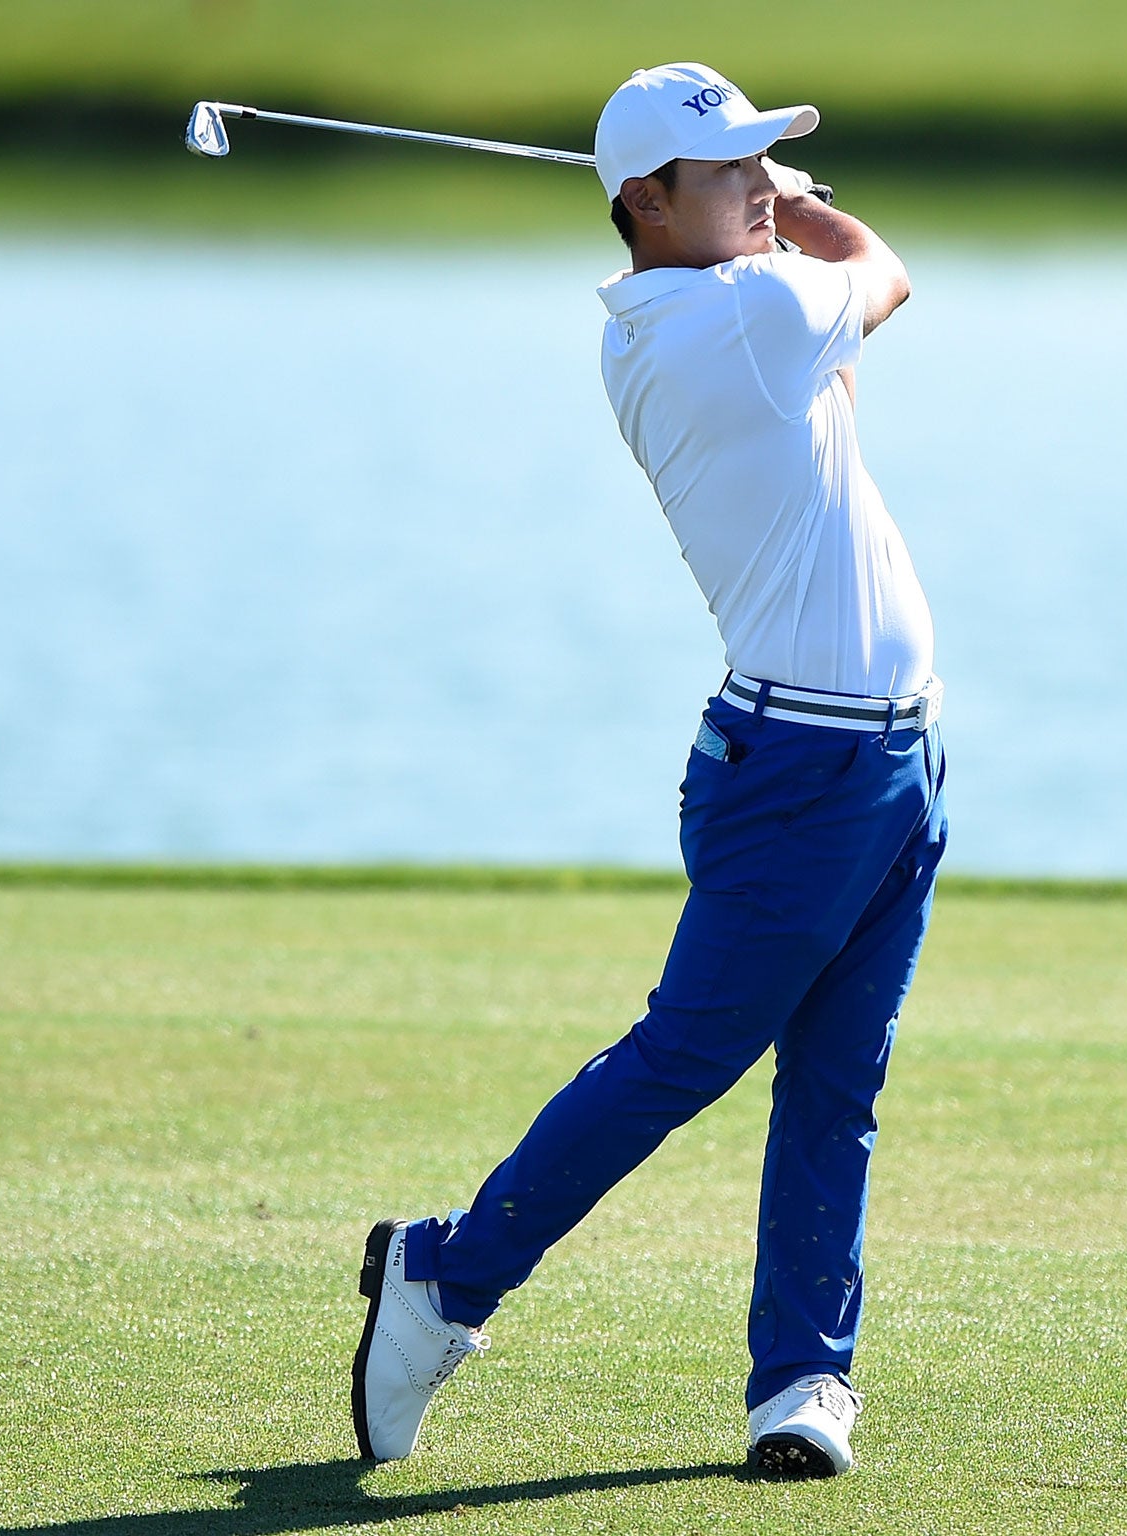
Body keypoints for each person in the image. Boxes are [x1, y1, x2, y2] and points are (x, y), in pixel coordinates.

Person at [349, 61, 947, 1481]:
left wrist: (762, 205)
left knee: (836, 1085)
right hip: (803, 769)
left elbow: (841, 385)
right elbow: (887, 273)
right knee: (684, 1058)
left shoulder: (703, 312)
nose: (757, 180)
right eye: (729, 166)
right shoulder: (737, 315)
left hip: (889, 754)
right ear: (647, 202)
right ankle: (445, 1277)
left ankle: (802, 1382)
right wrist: (811, 208)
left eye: (761, 158)